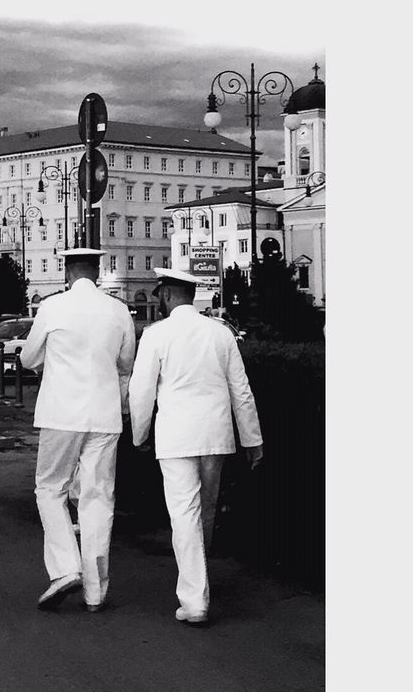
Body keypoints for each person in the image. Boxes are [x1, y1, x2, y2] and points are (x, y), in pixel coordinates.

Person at [128, 262, 263, 626]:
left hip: (175, 437)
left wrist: (140, 434)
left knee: (183, 515)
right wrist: (252, 439)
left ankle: (195, 599)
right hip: (216, 435)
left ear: (169, 296)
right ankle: (199, 584)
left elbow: (141, 391)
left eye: (161, 296)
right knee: (205, 512)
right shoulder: (220, 333)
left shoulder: (157, 334)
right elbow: (241, 390)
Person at [20, 247, 136, 613]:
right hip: (103, 414)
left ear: (67, 273)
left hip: (60, 412)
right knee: (99, 497)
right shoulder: (118, 310)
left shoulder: (52, 307)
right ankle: (96, 591)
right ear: (98, 272)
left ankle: (66, 567)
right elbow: (126, 362)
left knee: (50, 489)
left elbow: (27, 358)